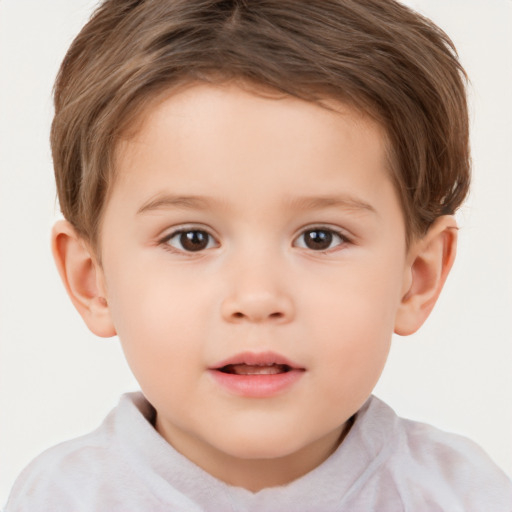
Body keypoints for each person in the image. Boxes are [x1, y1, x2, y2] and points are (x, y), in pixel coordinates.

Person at [5, 0, 512, 510]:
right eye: (191, 239)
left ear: (416, 277)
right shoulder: (60, 499)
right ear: (93, 280)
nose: (256, 297)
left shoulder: (466, 497)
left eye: (320, 237)